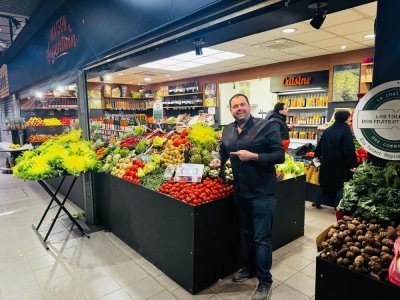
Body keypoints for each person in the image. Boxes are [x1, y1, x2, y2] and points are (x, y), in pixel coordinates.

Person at [210, 93, 285, 300]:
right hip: (240, 192)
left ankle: (265, 281)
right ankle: (251, 268)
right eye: (235, 106)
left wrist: (254, 156)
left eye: (242, 104)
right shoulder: (228, 129)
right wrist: (218, 159)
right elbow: (223, 150)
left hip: (262, 193)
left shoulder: (267, 126)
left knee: (262, 238)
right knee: (247, 234)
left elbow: (280, 155)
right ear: (231, 110)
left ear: (248, 106)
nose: (239, 108)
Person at [312, 110, 357, 209]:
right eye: (349, 117)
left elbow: (320, 144)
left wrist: (317, 155)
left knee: (324, 182)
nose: (350, 119)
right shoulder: (345, 131)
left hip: (327, 161)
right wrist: (352, 163)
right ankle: (337, 206)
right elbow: (349, 149)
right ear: (344, 118)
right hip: (340, 163)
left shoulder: (329, 129)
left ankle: (316, 200)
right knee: (341, 185)